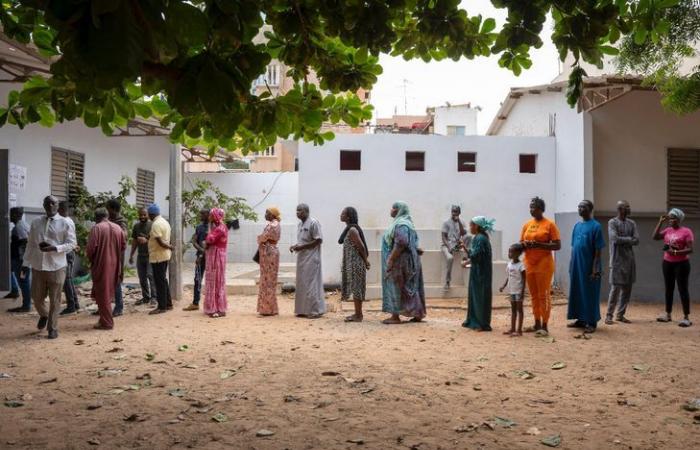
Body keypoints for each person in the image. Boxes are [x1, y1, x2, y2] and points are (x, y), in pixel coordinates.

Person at [23, 195, 77, 339]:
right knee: (36, 297)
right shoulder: (36, 222)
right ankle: (44, 315)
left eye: (53, 203)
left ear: (58, 205)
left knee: (55, 299)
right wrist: (25, 263)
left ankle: (52, 327)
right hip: (38, 266)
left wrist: (55, 248)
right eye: (47, 203)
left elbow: (72, 244)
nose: (50, 205)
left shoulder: (65, 223)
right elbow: (30, 244)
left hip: (57, 266)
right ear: (44, 205)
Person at [520, 197, 561, 334]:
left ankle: (545, 325)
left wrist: (539, 245)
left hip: (544, 263)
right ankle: (536, 323)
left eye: (535, 207)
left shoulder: (550, 224)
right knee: (533, 295)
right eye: (530, 207)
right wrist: (524, 245)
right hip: (529, 263)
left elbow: (557, 245)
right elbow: (521, 243)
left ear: (541, 209)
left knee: (543, 294)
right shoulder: (527, 225)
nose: (532, 210)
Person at [381, 201, 426, 324]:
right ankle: (418, 313)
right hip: (408, 260)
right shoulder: (408, 224)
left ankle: (395, 316)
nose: (391, 210)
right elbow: (410, 243)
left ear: (399, 210)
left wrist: (391, 259)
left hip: (400, 262)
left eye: (393, 208)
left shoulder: (401, 225)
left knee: (396, 286)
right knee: (410, 287)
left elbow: (401, 242)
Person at [567, 200, 606, 334]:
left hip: (589, 266)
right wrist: (571, 264)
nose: (580, 208)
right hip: (577, 265)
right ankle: (581, 319)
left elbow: (598, 251)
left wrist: (595, 269)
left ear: (590, 209)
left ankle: (591, 322)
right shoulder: (577, 226)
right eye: (579, 206)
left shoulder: (596, 226)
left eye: (583, 206)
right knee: (577, 292)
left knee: (589, 294)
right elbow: (574, 247)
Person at [653, 208, 694, 327]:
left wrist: (675, 252)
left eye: (673, 218)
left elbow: (690, 249)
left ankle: (686, 317)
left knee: (683, 289)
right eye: (670, 218)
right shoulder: (667, 230)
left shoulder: (686, 231)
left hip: (682, 264)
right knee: (668, 288)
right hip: (667, 263)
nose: (671, 220)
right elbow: (655, 237)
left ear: (679, 219)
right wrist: (660, 222)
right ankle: (668, 314)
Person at [87, 208, 126, 330]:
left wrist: (92, 260)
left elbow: (90, 249)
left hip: (102, 265)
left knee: (102, 293)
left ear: (96, 218)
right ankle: (103, 319)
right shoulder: (118, 228)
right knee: (108, 292)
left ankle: (107, 323)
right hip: (115, 265)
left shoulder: (97, 228)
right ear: (107, 216)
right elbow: (123, 246)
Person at [605, 200, 639, 325]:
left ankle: (620, 314)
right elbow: (614, 239)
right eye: (627, 207)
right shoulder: (612, 222)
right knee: (615, 288)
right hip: (617, 260)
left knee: (627, 289)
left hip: (629, 260)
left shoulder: (632, 223)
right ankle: (609, 315)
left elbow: (637, 240)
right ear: (619, 209)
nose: (629, 209)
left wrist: (625, 239)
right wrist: (629, 239)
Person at [290, 204, 325, 318]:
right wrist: (296, 246)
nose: (297, 212)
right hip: (302, 258)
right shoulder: (300, 224)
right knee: (302, 284)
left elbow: (318, 240)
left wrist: (302, 247)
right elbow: (302, 241)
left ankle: (314, 311)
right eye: (297, 210)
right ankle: (302, 310)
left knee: (311, 284)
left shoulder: (314, 223)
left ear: (306, 211)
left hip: (311, 258)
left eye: (300, 210)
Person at [461, 216, 494, 331]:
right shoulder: (482, 237)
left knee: (479, 296)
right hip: (480, 272)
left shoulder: (479, 238)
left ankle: (479, 322)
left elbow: (476, 256)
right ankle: (477, 321)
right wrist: (466, 250)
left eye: (471, 225)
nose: (470, 227)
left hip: (480, 274)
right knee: (478, 296)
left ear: (477, 226)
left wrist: (466, 256)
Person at [339, 207, 370, 322]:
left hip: (356, 263)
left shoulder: (352, 230)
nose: (340, 215)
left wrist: (366, 262)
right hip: (353, 263)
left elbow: (361, 247)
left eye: (342, 213)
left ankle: (358, 315)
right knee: (356, 288)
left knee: (357, 288)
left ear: (348, 217)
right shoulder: (350, 229)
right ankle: (358, 314)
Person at [147, 203, 173, 315]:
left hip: (158, 256)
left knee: (159, 282)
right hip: (164, 255)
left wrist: (170, 247)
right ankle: (168, 303)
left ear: (151, 214)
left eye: (148, 214)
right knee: (163, 280)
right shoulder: (164, 222)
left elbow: (160, 242)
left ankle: (162, 306)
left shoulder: (156, 224)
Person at [129, 207, 156, 306]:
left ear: (148, 215)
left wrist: (146, 240)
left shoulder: (153, 225)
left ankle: (154, 297)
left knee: (151, 275)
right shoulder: (136, 226)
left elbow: (157, 240)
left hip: (150, 255)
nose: (142, 216)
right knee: (142, 278)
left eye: (144, 214)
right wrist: (131, 255)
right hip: (140, 256)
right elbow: (134, 242)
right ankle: (146, 297)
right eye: (140, 215)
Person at [203, 208, 228, 318]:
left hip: (217, 257)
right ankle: (215, 307)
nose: (209, 217)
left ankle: (217, 308)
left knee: (216, 281)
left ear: (216, 216)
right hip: (214, 256)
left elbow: (210, 239)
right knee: (214, 281)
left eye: (211, 215)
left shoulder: (220, 228)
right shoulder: (216, 227)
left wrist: (207, 239)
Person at [183, 209, 209, 311]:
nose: (200, 215)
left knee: (211, 280)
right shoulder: (199, 227)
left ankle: (211, 303)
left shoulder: (214, 228)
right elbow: (194, 242)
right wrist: (202, 252)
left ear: (208, 215)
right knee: (197, 279)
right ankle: (195, 303)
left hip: (210, 258)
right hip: (200, 258)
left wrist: (202, 252)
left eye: (202, 214)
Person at [257, 207, 281, 316]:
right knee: (270, 280)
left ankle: (267, 309)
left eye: (267, 212)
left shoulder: (272, 225)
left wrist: (260, 239)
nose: (265, 214)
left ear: (272, 215)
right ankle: (271, 308)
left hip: (269, 252)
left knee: (267, 280)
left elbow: (262, 238)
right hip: (271, 251)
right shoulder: (274, 224)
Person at [6, 207, 31, 312]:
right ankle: (15, 290)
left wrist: (24, 260)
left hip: (20, 261)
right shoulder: (23, 224)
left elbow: (25, 241)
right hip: (18, 260)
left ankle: (26, 306)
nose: (9, 216)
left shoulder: (19, 227)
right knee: (10, 271)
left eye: (11, 214)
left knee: (23, 281)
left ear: (16, 215)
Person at [499, 243, 526, 336]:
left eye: (511, 252)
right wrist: (503, 286)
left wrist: (522, 292)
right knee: (513, 310)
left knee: (520, 310)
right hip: (512, 291)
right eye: (509, 252)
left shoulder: (521, 265)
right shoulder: (509, 264)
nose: (509, 254)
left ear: (518, 253)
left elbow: (524, 279)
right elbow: (508, 277)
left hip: (518, 291)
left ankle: (519, 330)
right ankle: (513, 328)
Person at [58, 201, 80, 315]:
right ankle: (75, 304)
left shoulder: (64, 221)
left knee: (67, 280)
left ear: (61, 209)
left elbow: (70, 241)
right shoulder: (69, 220)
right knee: (69, 279)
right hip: (68, 252)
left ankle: (71, 305)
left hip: (67, 253)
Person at [106, 198, 127, 316]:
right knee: (106, 280)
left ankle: (119, 307)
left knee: (116, 280)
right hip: (108, 254)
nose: (107, 211)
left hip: (117, 255)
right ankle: (105, 305)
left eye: (108, 208)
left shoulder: (120, 221)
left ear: (113, 209)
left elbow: (124, 236)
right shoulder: (109, 220)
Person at [441, 205, 468, 291]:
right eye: (452, 211)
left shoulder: (462, 222)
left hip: (457, 245)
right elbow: (443, 237)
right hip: (446, 246)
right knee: (450, 258)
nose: (453, 213)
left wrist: (458, 221)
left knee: (469, 237)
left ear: (459, 213)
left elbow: (463, 233)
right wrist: (449, 247)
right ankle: (447, 282)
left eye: (456, 211)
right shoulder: (446, 222)